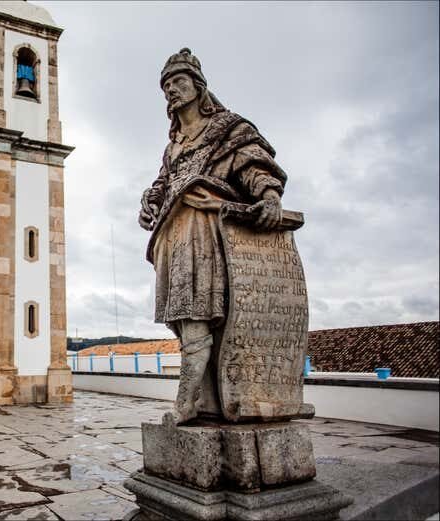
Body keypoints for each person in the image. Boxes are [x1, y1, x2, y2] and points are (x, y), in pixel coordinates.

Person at [138, 48, 287, 423]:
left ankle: (187, 402)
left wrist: (268, 194)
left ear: (198, 85)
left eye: (178, 82)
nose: (171, 90)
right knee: (185, 320)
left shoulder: (228, 128)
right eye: (166, 85)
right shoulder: (173, 147)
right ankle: (205, 400)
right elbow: (163, 185)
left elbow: (252, 162)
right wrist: (150, 201)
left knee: (197, 315)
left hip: (207, 230)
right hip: (174, 234)